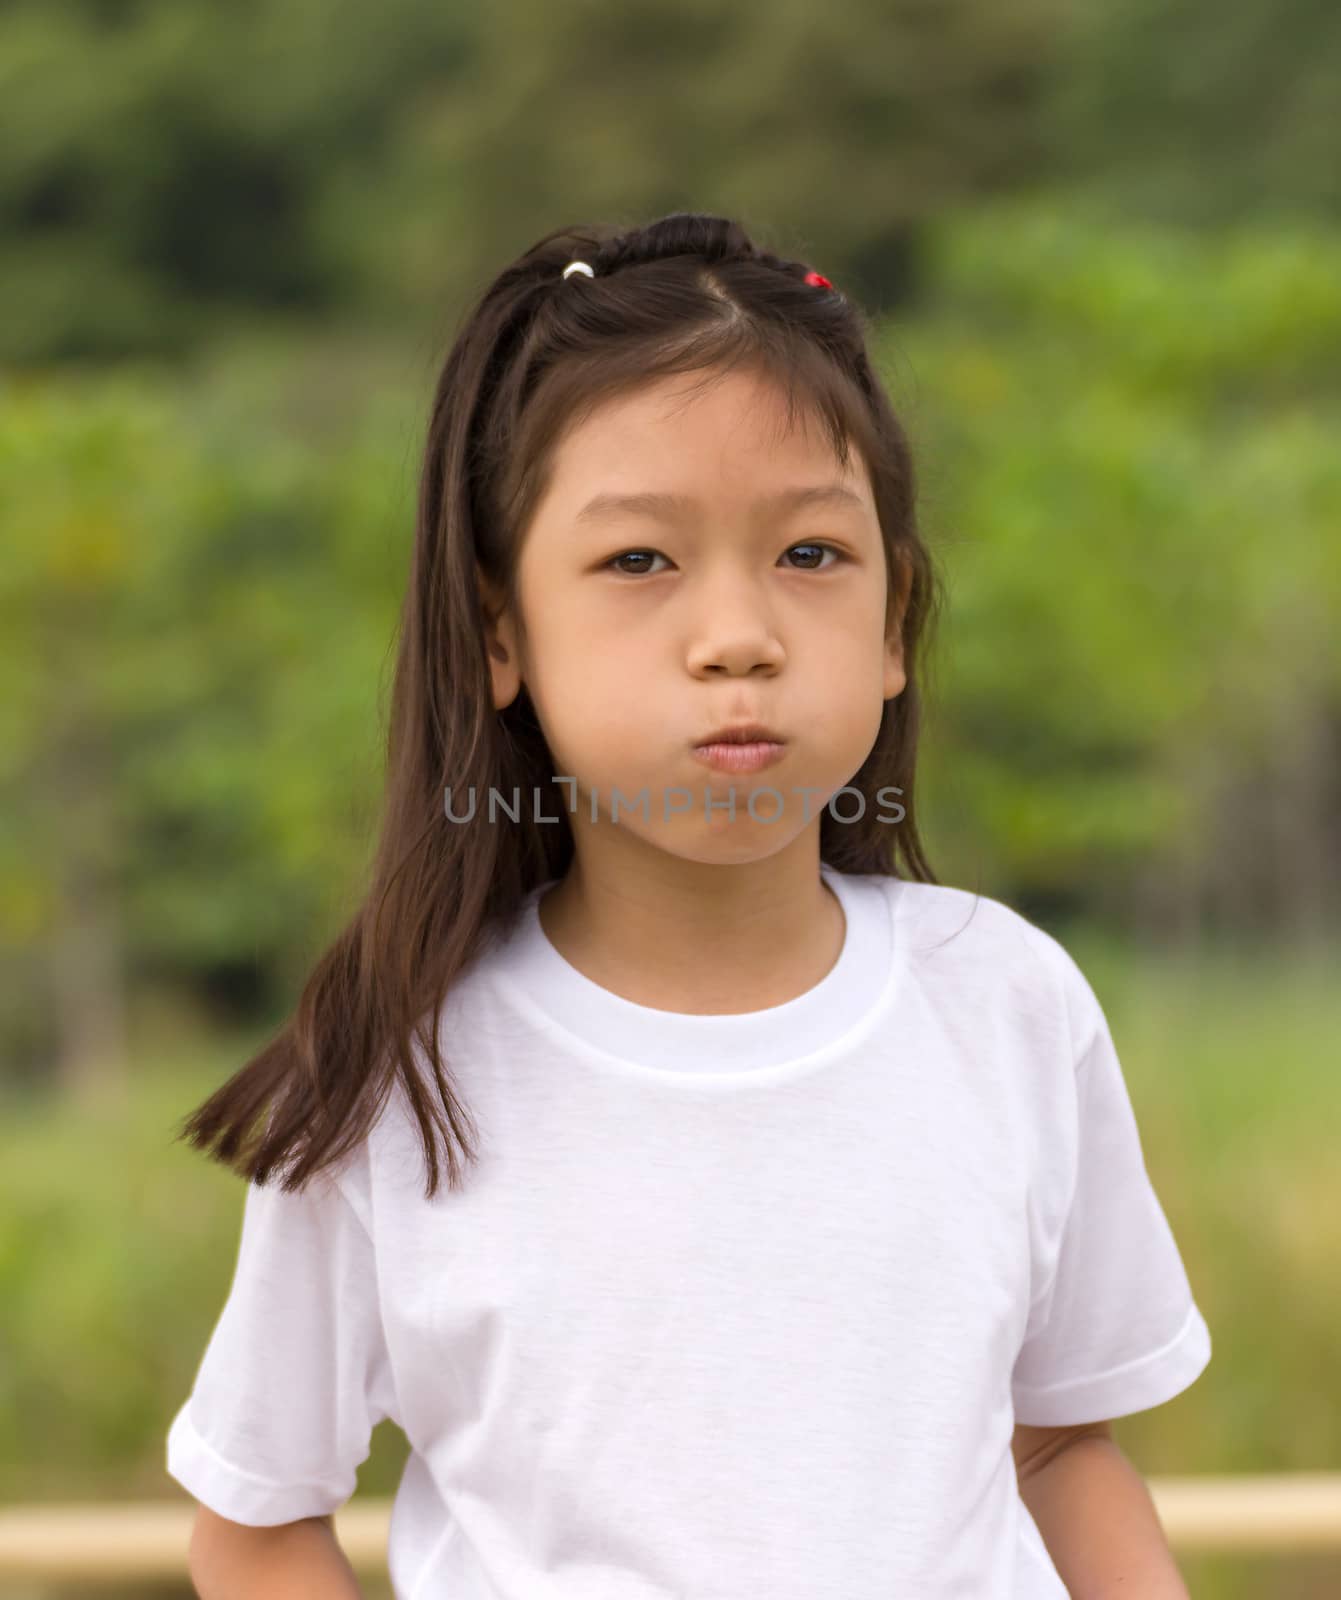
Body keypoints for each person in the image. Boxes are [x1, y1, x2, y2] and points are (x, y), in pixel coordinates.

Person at [165, 211, 1212, 1599]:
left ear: (894, 623)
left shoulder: (1005, 1001)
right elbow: (256, 1524)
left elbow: (1059, 1447)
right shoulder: (394, 1070)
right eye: (639, 563)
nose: (737, 636)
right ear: (498, 636)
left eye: (810, 556)